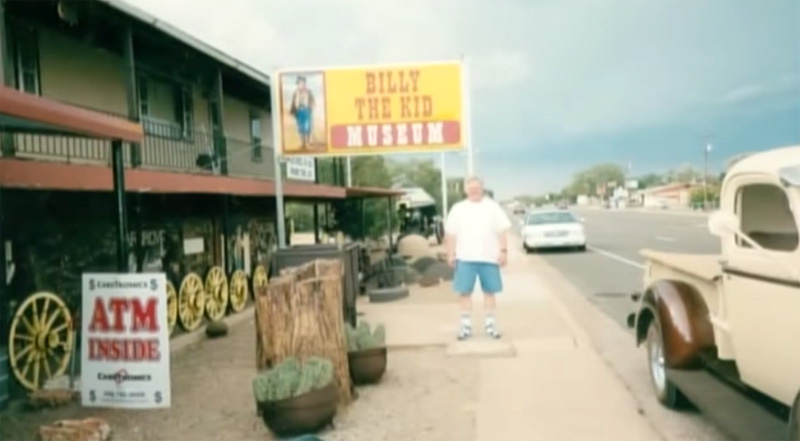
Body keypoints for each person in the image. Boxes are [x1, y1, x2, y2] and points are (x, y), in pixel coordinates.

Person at [445, 176, 511, 340]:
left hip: (489, 258)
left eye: (477, 188)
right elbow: (451, 234)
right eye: (471, 188)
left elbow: (502, 230)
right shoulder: (458, 208)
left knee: (490, 292)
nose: (474, 191)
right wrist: (450, 254)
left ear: (482, 188)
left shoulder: (492, 207)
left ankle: (490, 325)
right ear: (465, 190)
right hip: (465, 258)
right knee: (464, 293)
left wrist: (503, 251)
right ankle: (465, 327)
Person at [289, 75, 315, 148]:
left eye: (303, 83)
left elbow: (312, 100)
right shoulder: (295, 92)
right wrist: (293, 111)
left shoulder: (308, 91)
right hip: (299, 111)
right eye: (300, 83)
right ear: (297, 84)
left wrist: (311, 107)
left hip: (307, 110)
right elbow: (293, 102)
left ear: (305, 83)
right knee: (300, 127)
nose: (301, 84)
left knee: (307, 126)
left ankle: (307, 142)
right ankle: (301, 142)